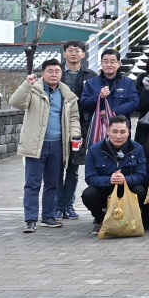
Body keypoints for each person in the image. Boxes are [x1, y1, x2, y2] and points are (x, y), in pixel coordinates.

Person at [10, 59, 81, 232]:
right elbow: (16, 102)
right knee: (32, 184)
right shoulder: (33, 90)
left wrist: (74, 134)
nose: (54, 74)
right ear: (43, 73)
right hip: (36, 144)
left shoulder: (67, 94)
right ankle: (30, 219)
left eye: (57, 71)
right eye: (50, 71)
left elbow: (73, 118)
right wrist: (26, 84)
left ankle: (48, 216)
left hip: (58, 144)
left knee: (52, 183)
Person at [82, 116, 148, 235]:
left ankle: (133, 217)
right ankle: (100, 220)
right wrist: (109, 180)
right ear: (108, 131)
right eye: (114, 132)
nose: (118, 136)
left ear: (128, 132)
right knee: (88, 194)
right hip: (105, 190)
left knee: (141, 190)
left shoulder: (137, 149)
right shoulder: (94, 150)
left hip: (126, 190)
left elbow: (141, 175)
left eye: (123, 132)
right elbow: (90, 178)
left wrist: (125, 179)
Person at [56, 39, 96, 221]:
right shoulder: (56, 73)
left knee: (73, 168)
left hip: (80, 126)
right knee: (55, 168)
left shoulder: (91, 75)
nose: (73, 53)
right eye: (70, 50)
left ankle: (69, 205)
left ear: (83, 54)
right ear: (64, 54)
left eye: (77, 50)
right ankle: (57, 207)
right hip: (57, 126)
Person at [80, 47, 140, 126]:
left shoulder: (128, 82)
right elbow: (84, 105)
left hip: (121, 128)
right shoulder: (91, 82)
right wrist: (99, 96)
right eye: (105, 62)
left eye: (112, 62)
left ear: (119, 63)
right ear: (101, 63)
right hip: (97, 128)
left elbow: (134, 103)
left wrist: (112, 112)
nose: (108, 65)